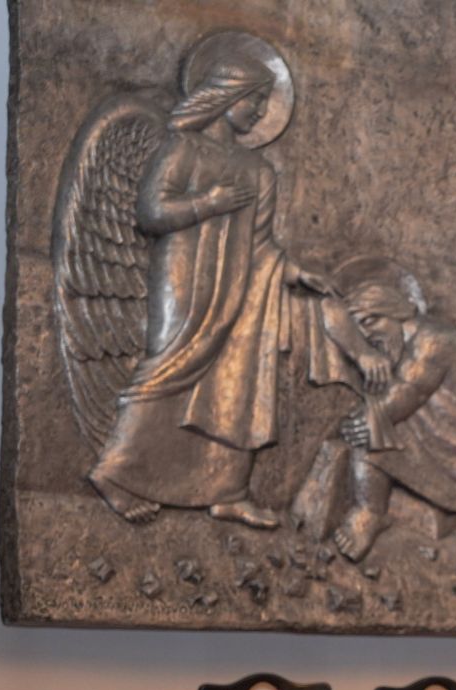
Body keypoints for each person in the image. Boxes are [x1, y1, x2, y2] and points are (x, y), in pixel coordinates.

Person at [87, 49, 330, 528]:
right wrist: (210, 202)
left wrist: (293, 272)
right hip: (184, 277)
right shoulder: (184, 150)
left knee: (237, 378)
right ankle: (114, 472)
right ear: (226, 96)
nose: (260, 111)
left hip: (239, 288)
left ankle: (226, 489)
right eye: (254, 100)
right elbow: (151, 214)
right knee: (170, 367)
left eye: (264, 103)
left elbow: (260, 244)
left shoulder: (260, 171)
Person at [292, 257, 456, 561]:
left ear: (392, 312)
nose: (366, 338)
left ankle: (372, 512)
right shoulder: (396, 346)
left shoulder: (435, 342)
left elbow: (407, 393)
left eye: (369, 324)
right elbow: (330, 313)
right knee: (374, 427)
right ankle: (370, 511)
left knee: (376, 428)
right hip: (434, 434)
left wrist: (370, 419)